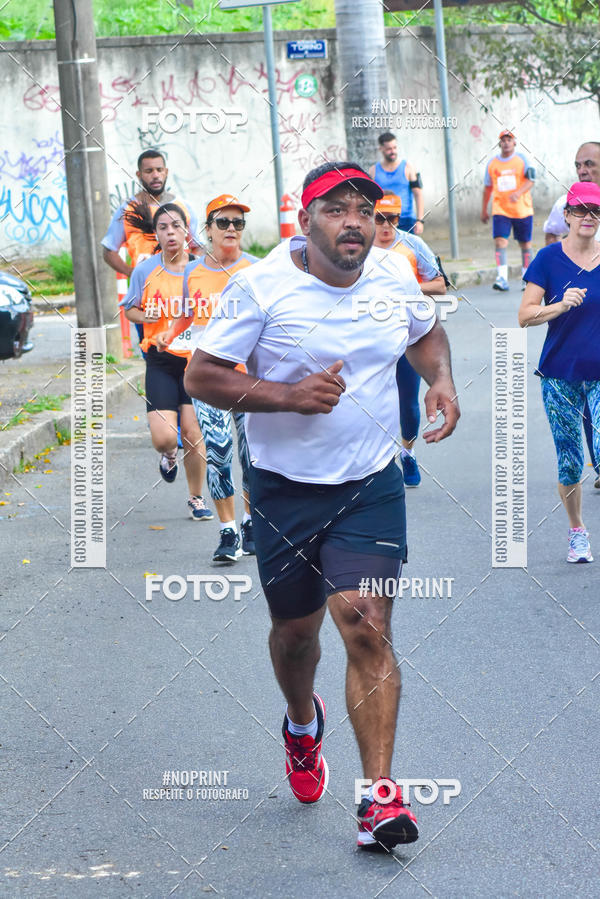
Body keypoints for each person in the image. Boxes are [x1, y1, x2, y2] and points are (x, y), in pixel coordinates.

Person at [184, 162, 460, 850]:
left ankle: (377, 799)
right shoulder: (261, 286)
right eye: (337, 208)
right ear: (304, 219)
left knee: (365, 623)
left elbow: (424, 331)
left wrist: (442, 382)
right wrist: (288, 395)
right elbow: (202, 374)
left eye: (366, 210)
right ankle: (302, 723)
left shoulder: (395, 275)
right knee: (296, 635)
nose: (355, 222)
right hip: (282, 490)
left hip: (369, 481)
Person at [173, 194, 258, 562]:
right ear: (207, 230)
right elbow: (186, 318)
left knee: (253, 457)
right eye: (223, 222)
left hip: (251, 379)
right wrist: (169, 336)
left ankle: (253, 520)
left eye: (238, 223)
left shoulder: (257, 270)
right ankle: (228, 532)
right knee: (220, 453)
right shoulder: (192, 272)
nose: (231, 229)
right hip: (209, 379)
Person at [519, 182, 600, 563]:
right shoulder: (549, 260)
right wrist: (560, 305)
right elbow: (525, 316)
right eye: (581, 210)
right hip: (559, 375)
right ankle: (577, 531)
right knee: (569, 460)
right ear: (566, 215)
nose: (589, 217)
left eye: (596, 211)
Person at [120, 203, 212, 522]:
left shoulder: (202, 269)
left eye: (176, 226)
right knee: (165, 438)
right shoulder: (145, 270)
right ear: (156, 234)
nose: (170, 232)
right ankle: (169, 455)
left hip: (194, 363)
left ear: (187, 230)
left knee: (193, 432)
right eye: (163, 227)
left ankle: (196, 498)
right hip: (160, 360)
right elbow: (129, 309)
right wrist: (150, 315)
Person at [373, 193, 446, 487]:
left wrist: (406, 289)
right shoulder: (358, 246)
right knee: (370, 399)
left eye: (393, 219)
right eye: (380, 218)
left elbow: (441, 285)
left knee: (407, 401)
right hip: (371, 337)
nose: (387, 225)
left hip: (409, 336)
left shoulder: (413, 245)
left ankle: (408, 452)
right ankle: (377, 462)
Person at [542, 141, 600, 488]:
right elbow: (550, 237)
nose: (582, 169)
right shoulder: (567, 203)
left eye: (590, 164)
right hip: (576, 328)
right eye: (578, 164)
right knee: (582, 400)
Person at [481, 130, 535, 291]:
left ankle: (527, 278)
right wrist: (484, 209)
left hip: (522, 210)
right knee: (500, 241)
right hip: (500, 209)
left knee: (525, 244)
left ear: (514, 142)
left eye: (509, 140)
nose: (506, 143)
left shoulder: (522, 160)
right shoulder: (492, 164)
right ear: (499, 143)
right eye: (503, 140)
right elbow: (487, 188)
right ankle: (502, 278)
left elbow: (531, 180)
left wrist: (518, 193)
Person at [369, 132, 424, 234]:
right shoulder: (373, 171)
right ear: (381, 149)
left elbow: (418, 194)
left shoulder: (408, 167)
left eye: (395, 148)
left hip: (406, 220)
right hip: (383, 221)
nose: (393, 151)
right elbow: (369, 198)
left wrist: (420, 220)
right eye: (389, 149)